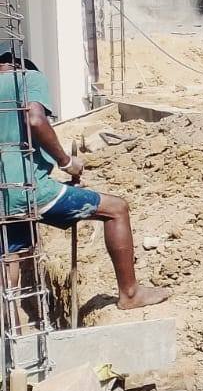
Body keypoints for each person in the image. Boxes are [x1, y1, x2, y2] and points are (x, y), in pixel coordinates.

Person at [0, 54, 169, 311]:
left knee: (11, 254)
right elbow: (35, 119)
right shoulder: (27, 77)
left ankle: (9, 324)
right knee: (116, 209)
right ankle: (130, 293)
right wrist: (66, 161)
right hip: (26, 189)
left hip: (4, 195)